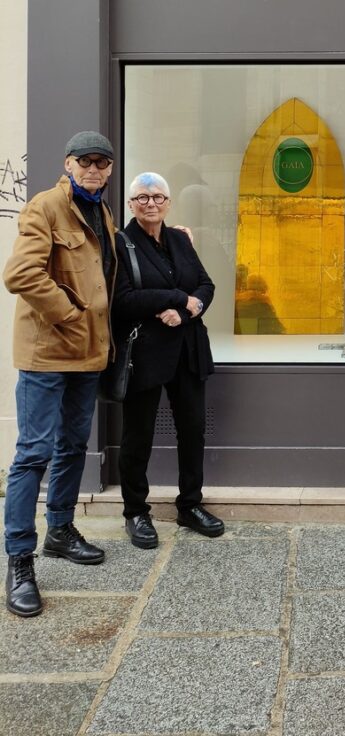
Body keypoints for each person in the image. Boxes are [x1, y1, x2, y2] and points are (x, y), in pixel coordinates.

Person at [3, 131, 117, 618]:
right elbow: (20, 274)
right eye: (84, 160)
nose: (93, 168)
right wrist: (70, 314)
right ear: (68, 164)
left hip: (87, 354)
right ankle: (19, 560)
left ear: (109, 170)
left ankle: (61, 530)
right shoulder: (46, 207)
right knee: (33, 453)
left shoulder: (102, 212)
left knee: (73, 445)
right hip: (47, 353)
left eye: (101, 162)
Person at [112, 172, 224, 549]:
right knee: (138, 435)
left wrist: (186, 311)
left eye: (158, 197)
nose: (151, 203)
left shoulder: (179, 239)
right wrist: (175, 299)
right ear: (131, 205)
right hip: (145, 353)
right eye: (143, 198)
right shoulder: (122, 243)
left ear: (168, 203)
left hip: (188, 349)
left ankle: (190, 505)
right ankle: (135, 511)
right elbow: (123, 300)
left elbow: (206, 285)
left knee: (192, 430)